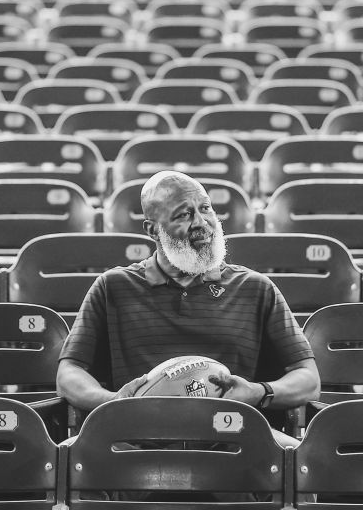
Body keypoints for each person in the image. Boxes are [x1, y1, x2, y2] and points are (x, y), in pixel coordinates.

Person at [56, 170, 320, 444]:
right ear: (152, 229)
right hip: (136, 440)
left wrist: (259, 392)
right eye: (183, 215)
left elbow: (308, 380)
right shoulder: (112, 287)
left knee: (304, 457)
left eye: (205, 209)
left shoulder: (256, 288)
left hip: (235, 439)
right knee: (70, 452)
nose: (201, 222)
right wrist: (114, 400)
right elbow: (69, 374)